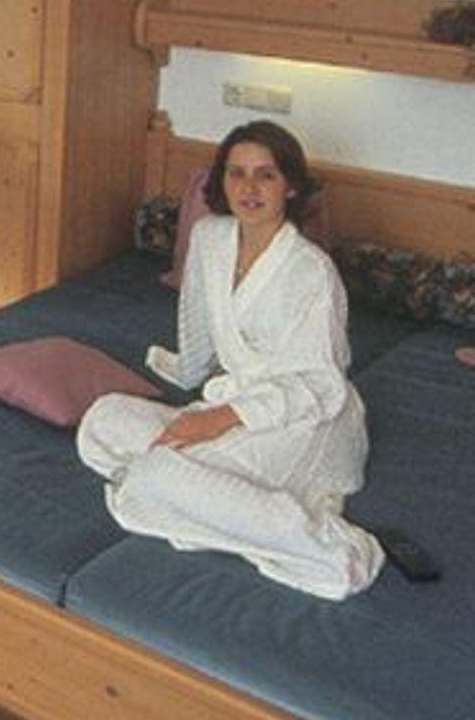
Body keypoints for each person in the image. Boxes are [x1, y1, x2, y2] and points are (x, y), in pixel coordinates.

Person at [75, 121, 384, 599]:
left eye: (266, 175)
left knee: (159, 473)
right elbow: (198, 323)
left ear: (290, 186)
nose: (249, 188)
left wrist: (217, 419)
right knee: (103, 419)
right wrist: (190, 380)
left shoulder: (311, 272)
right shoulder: (210, 238)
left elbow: (322, 385)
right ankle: (199, 494)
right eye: (237, 173)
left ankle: (330, 551)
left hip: (305, 419)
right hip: (234, 401)